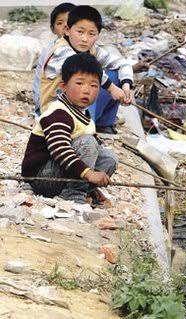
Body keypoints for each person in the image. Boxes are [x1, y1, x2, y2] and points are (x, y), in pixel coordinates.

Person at [22, 53, 117, 204]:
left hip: (63, 174)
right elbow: (59, 148)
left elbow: (94, 151)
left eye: (94, 85)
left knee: (109, 158)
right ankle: (74, 193)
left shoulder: (85, 116)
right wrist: (88, 174)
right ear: (63, 86)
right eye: (80, 83)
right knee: (87, 142)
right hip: (42, 178)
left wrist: (93, 180)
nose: (87, 90)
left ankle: (84, 188)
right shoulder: (59, 112)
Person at [38, 5, 148, 134]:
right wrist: (112, 89)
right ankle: (87, 130)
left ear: (98, 35)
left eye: (91, 34)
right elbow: (84, 69)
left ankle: (103, 124)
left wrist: (126, 86)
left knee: (115, 75)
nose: (85, 39)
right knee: (88, 83)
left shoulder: (93, 50)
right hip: (56, 112)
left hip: (78, 107)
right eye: (80, 32)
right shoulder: (60, 50)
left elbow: (122, 63)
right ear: (67, 30)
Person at [33, 2, 76, 114]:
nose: (65, 26)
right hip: (48, 103)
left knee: (112, 75)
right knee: (87, 81)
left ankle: (105, 122)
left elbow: (114, 61)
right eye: (60, 23)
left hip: (64, 98)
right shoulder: (57, 49)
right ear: (53, 29)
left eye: (69, 22)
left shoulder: (80, 44)